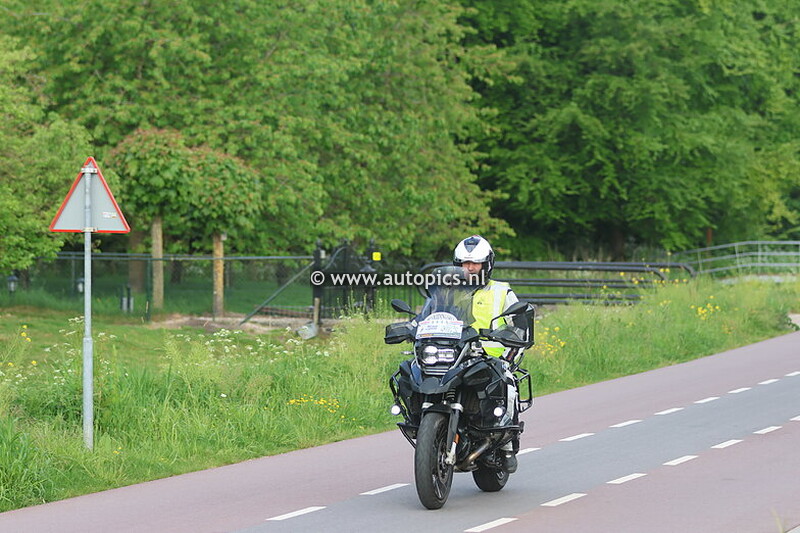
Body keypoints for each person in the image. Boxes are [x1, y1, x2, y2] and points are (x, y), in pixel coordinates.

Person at [452, 235, 522, 473]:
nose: (469, 267)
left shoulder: (502, 291)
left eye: (475, 263)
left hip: (491, 356)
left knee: (508, 384)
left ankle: (507, 446)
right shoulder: (449, 291)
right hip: (455, 354)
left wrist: (509, 356)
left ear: (487, 263)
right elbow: (431, 315)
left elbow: (520, 326)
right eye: (464, 263)